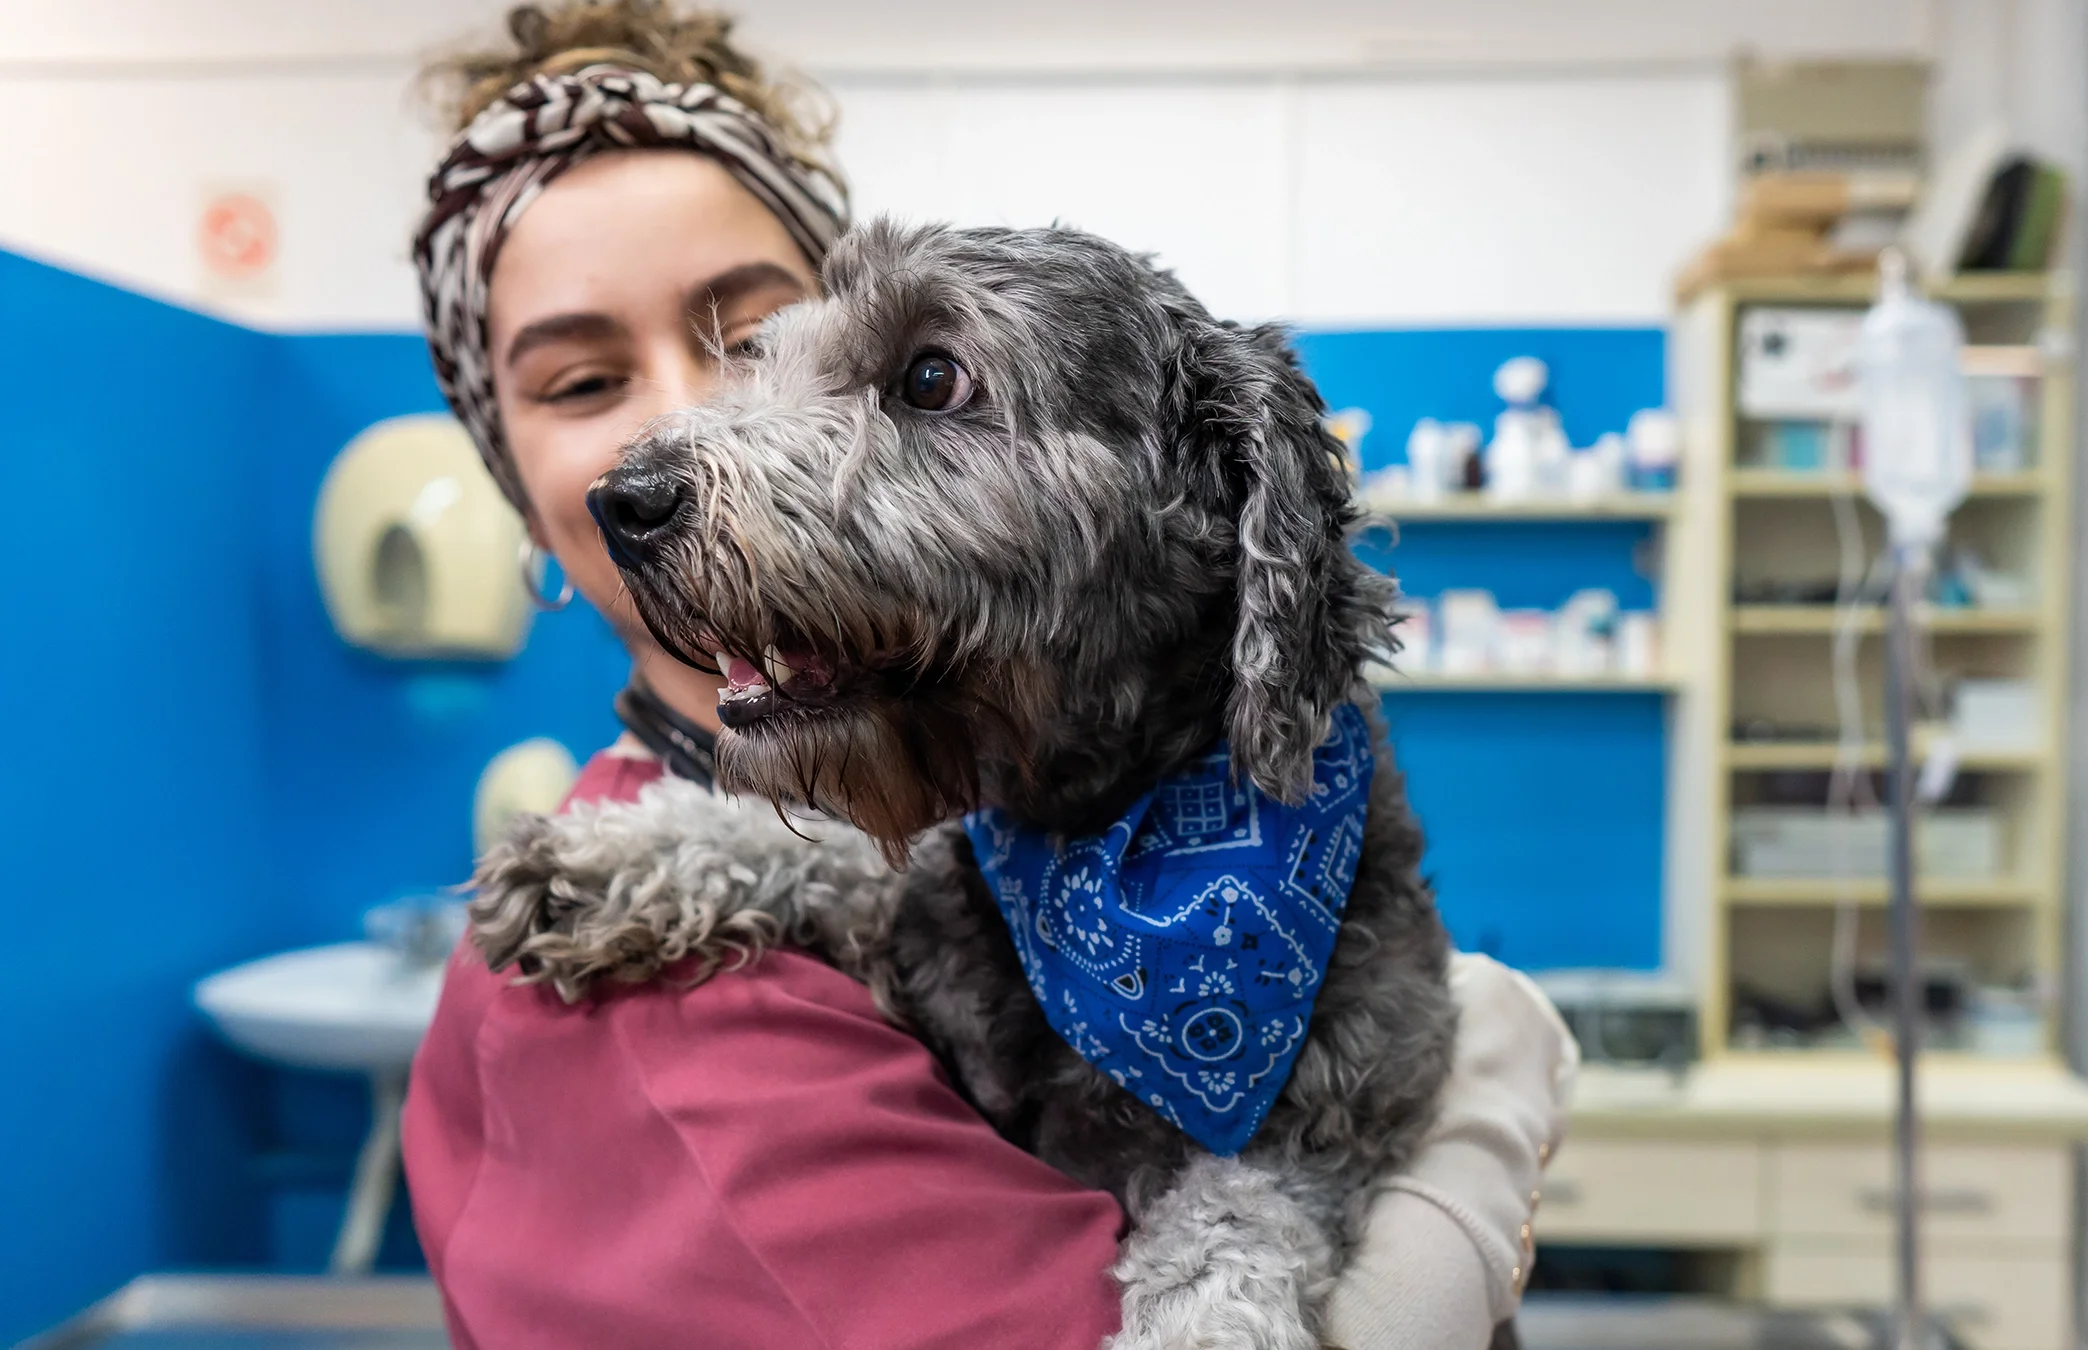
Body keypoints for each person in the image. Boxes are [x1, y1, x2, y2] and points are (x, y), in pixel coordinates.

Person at [399, 4, 1577, 1347]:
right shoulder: (670, 1030)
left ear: (1221, 505)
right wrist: (1479, 1149)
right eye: (583, 378)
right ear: (512, 479)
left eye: (765, 340)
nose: (685, 431)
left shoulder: (1008, 821)